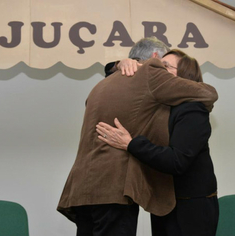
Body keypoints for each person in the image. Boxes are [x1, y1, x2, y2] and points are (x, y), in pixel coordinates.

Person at [57, 38, 218, 236]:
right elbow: (209, 94)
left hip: (81, 189)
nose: (162, 70)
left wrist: (117, 65)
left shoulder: (103, 85)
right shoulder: (149, 75)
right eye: (162, 64)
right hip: (112, 189)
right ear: (154, 58)